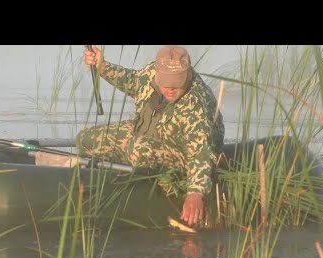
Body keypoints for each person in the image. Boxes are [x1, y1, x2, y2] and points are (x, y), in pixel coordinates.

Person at [77, 45, 224, 227]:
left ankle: (145, 190)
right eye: (166, 82)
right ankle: (96, 179)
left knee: (139, 149)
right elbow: (132, 81)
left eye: (177, 83)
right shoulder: (150, 73)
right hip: (146, 133)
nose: (170, 89)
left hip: (180, 153)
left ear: (187, 75)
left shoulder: (197, 105)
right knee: (86, 138)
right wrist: (102, 66)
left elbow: (200, 153)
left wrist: (195, 193)